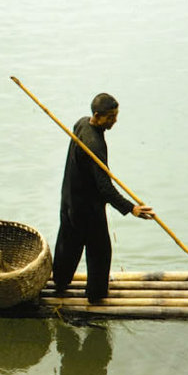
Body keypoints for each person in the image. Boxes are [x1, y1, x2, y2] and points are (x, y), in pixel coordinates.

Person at [53, 93, 154, 301]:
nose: (114, 121)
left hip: (70, 200)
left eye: (115, 116)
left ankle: (60, 282)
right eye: (110, 117)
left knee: (68, 244)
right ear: (97, 116)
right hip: (88, 209)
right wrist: (131, 208)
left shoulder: (81, 123)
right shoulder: (95, 145)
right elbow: (105, 188)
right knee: (99, 251)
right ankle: (96, 295)